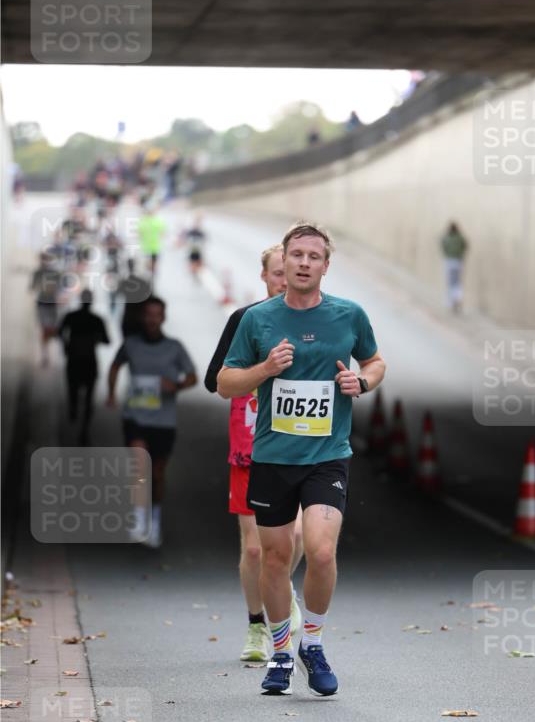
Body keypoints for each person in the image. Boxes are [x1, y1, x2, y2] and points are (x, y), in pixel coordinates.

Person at [218, 222, 386, 697]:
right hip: (272, 456)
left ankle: (311, 642)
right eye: (297, 255)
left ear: (325, 266)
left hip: (327, 455)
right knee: (273, 558)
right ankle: (280, 653)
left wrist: (363, 382)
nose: (305, 263)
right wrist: (265, 370)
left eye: (314, 256)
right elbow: (225, 383)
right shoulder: (258, 319)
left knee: (322, 549)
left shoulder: (349, 315)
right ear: (284, 263)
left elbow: (374, 361)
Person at [206, 245, 304, 662]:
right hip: (252, 445)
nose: (286, 279)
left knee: (295, 536)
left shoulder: (319, 320)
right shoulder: (245, 320)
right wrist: (262, 369)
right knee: (252, 549)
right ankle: (256, 626)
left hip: (301, 445)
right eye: (278, 273)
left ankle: (283, 588)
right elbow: (216, 380)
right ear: (264, 277)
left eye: (291, 271)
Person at [107, 296, 197, 548]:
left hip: (163, 421)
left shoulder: (174, 347)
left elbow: (193, 377)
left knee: (157, 473)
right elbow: (115, 366)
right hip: (135, 416)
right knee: (139, 466)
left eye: (157, 314)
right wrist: (112, 394)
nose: (152, 319)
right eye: (148, 314)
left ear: (163, 317)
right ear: (141, 317)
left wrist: (176, 385)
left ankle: (154, 519)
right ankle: (138, 518)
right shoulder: (131, 344)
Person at [58, 289, 110, 443]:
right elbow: (107, 340)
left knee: (72, 390)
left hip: (74, 360)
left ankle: (74, 411)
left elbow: (60, 333)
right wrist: (94, 339)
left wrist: (67, 346)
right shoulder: (96, 320)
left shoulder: (71, 316)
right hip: (89, 361)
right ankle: (84, 429)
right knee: (88, 398)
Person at [30, 252, 63, 367]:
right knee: (45, 328)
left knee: (51, 328)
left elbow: (60, 287)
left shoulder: (53, 273)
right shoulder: (38, 273)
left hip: (51, 303)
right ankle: (45, 355)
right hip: (43, 303)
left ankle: (48, 352)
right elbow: (32, 287)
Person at [115, 258, 151, 335]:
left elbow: (118, 293)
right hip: (139, 312)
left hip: (129, 313)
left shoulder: (124, 282)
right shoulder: (141, 281)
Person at [440, 221, 468, 314]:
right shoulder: (460, 238)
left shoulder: (447, 238)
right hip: (458, 262)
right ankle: (458, 298)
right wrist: (460, 254)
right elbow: (465, 246)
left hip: (449, 262)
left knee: (450, 282)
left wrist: (448, 254)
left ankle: (451, 302)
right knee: (457, 282)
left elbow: (443, 246)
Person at [137, 205, 167, 279]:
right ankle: (152, 277)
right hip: (154, 247)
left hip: (147, 247)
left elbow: (139, 234)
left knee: (148, 264)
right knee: (153, 265)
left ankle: (149, 277)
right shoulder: (157, 221)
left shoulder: (143, 221)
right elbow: (163, 233)